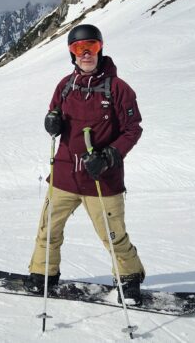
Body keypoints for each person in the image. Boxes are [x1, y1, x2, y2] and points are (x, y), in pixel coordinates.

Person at [27, 24, 145, 302]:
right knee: (48, 228)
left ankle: (129, 279)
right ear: (72, 53)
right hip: (66, 173)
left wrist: (108, 156)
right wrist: (51, 122)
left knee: (113, 235)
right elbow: (54, 115)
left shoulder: (118, 89)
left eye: (91, 47)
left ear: (100, 48)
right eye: (79, 48)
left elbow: (133, 129)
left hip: (102, 177)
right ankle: (43, 274)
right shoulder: (66, 86)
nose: (86, 53)